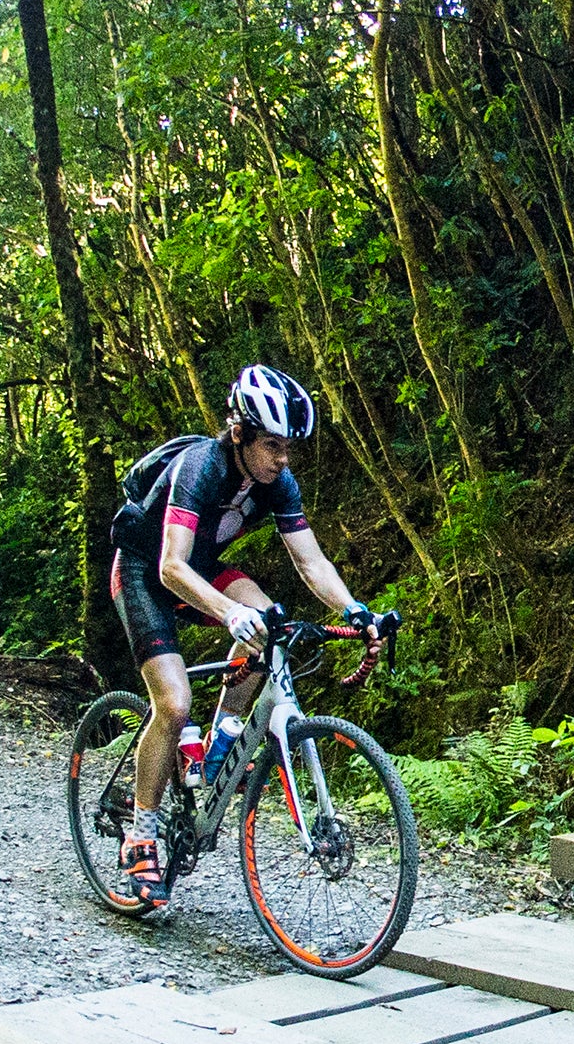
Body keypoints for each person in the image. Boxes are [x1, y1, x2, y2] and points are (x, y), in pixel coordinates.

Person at [98, 365, 399, 913]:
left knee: (272, 622)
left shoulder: (279, 482)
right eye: (273, 446)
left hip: (201, 569)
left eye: (290, 448)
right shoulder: (200, 468)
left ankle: (220, 743)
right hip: (146, 572)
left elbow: (310, 561)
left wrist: (356, 610)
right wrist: (230, 614)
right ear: (239, 433)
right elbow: (170, 566)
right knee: (173, 703)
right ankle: (140, 835)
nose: (283, 459)